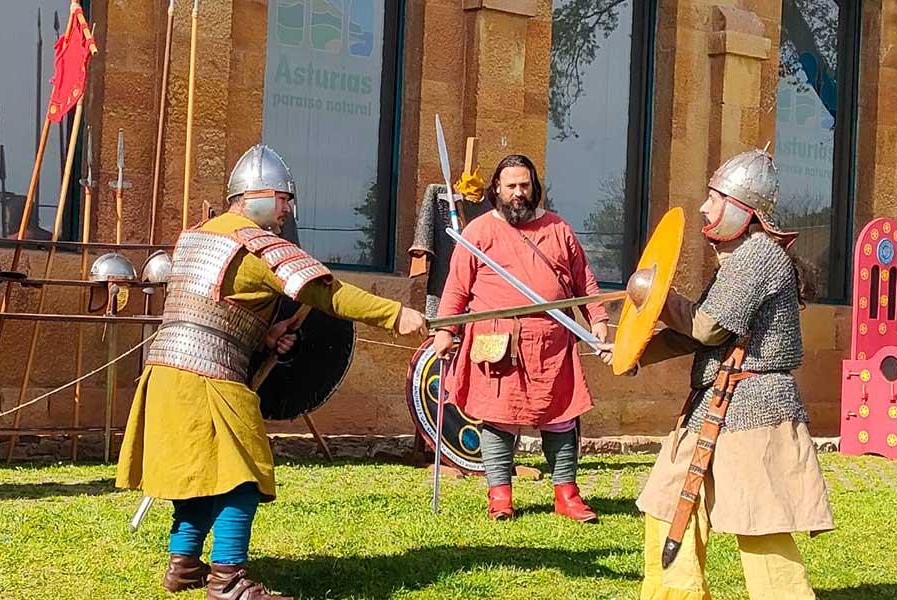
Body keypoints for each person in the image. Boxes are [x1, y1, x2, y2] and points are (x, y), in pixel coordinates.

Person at [116, 144, 427, 600]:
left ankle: (183, 565)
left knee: (199, 473)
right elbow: (329, 293)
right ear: (256, 195)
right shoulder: (256, 245)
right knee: (241, 476)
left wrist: (264, 335)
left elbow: (214, 306)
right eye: (282, 199)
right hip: (209, 376)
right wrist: (396, 315)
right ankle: (228, 581)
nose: (286, 211)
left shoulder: (197, 237)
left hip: (166, 371)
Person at [621, 149, 834, 599]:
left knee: (760, 524)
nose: (704, 207)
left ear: (742, 208)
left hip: (753, 405)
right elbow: (703, 336)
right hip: (710, 404)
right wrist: (636, 351)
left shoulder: (760, 256)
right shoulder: (735, 263)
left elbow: (706, 325)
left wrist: (661, 300)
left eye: (715, 198)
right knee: (665, 506)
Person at [433, 154, 609, 523]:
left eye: (524, 186)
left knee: (560, 417)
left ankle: (567, 495)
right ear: (497, 188)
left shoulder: (558, 228)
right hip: (498, 342)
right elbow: (456, 287)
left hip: (551, 342)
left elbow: (584, 280)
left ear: (534, 188)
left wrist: (598, 320)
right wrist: (446, 329)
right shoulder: (478, 232)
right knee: (499, 419)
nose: (518, 193)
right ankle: (499, 496)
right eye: (511, 186)